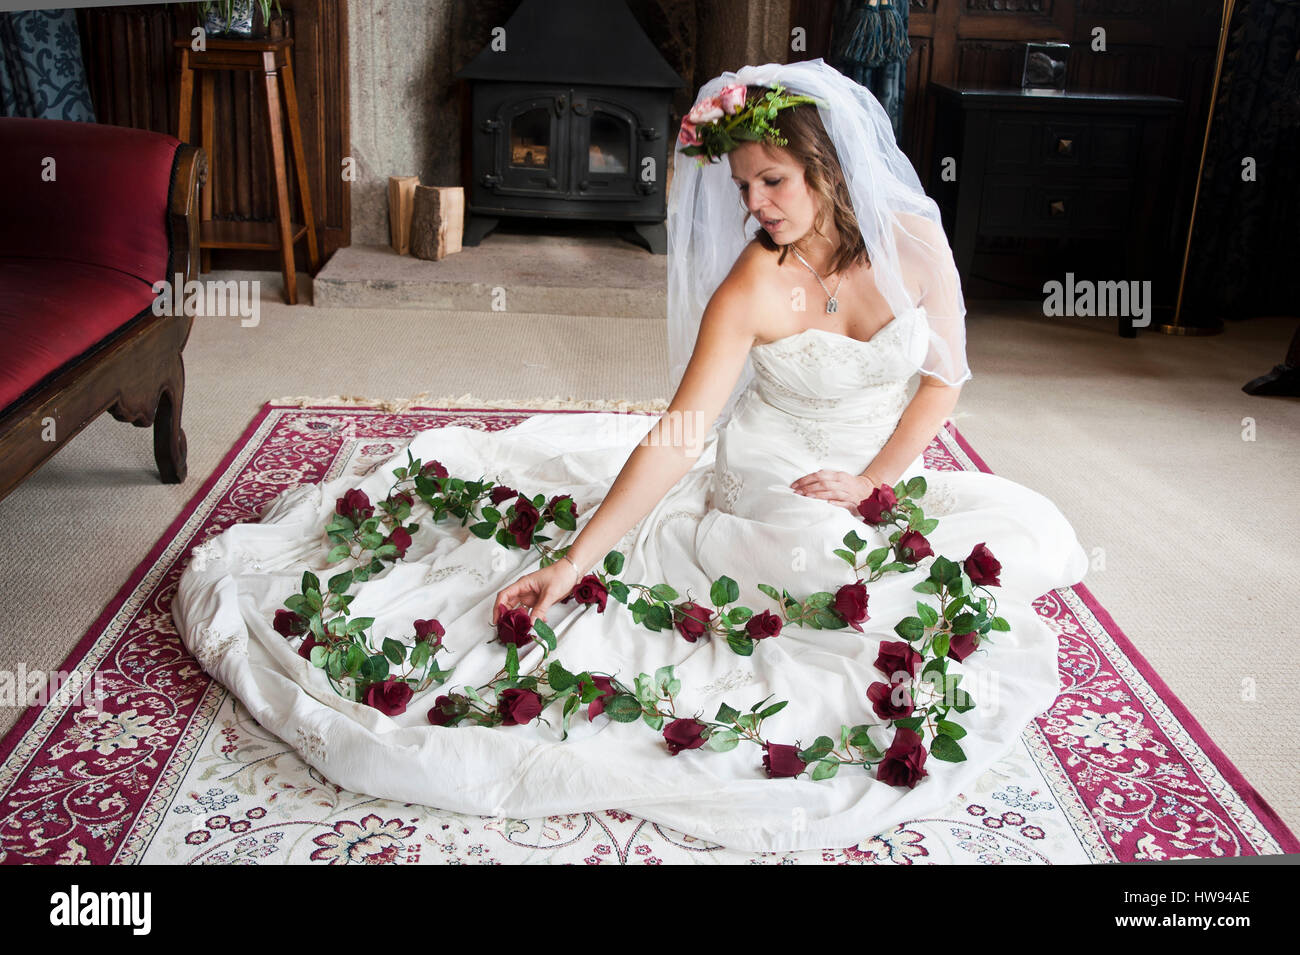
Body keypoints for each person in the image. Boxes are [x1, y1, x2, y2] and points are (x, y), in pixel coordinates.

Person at [175, 59, 1089, 852]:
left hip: (873, 464)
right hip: (772, 474)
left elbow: (941, 383)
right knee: (829, 575)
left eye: (772, 181)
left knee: (984, 553)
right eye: (740, 187)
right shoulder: (752, 284)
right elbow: (681, 432)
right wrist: (576, 559)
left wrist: (877, 480)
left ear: (829, 170)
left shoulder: (914, 244)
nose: (753, 206)